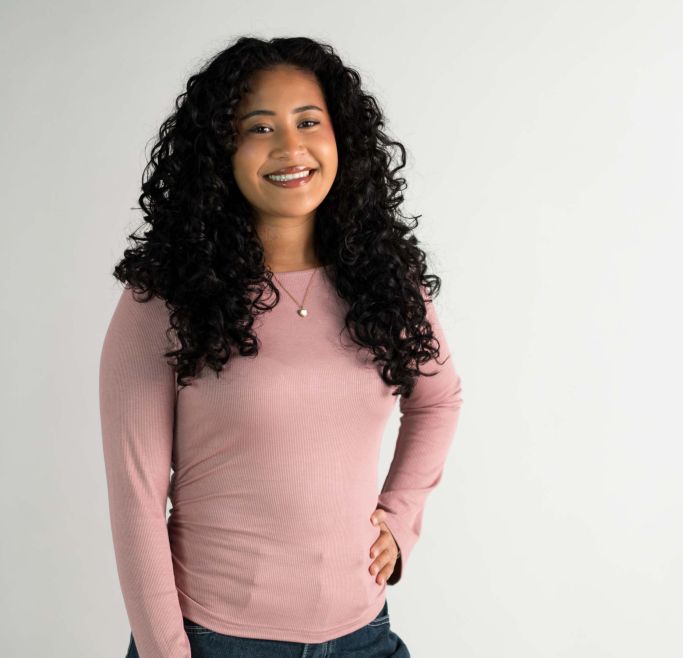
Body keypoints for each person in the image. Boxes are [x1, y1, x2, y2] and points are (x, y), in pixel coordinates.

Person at [99, 36, 463, 658]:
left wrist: (399, 520)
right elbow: (136, 496)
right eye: (259, 127)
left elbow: (439, 398)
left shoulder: (384, 282)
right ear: (222, 151)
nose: (290, 148)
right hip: (217, 640)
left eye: (308, 121)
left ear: (340, 136)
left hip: (362, 634)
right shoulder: (163, 297)